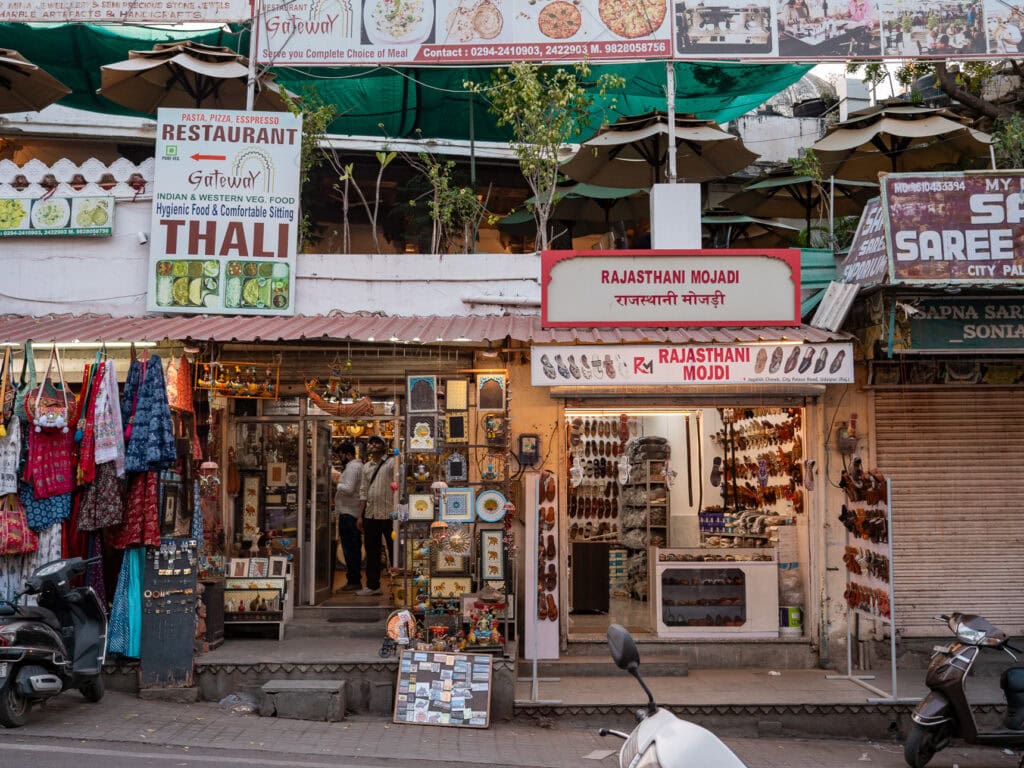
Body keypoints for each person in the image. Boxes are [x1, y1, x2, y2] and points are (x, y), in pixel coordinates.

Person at [357, 435, 395, 597]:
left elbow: (398, 484)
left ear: (383, 446)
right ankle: (373, 586)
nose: (373, 445)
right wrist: (360, 515)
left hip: (389, 515)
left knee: (394, 551)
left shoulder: (392, 463)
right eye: (371, 443)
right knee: (372, 551)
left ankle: (398, 585)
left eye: (377, 442)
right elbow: (363, 491)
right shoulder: (366, 467)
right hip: (371, 515)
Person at [334, 442, 364, 592]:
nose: (339, 459)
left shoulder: (352, 467)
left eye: (340, 455)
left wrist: (336, 481)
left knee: (350, 549)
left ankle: (353, 580)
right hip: (350, 512)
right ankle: (353, 579)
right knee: (352, 548)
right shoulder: (356, 467)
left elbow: (350, 489)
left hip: (349, 513)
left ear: (348, 454)